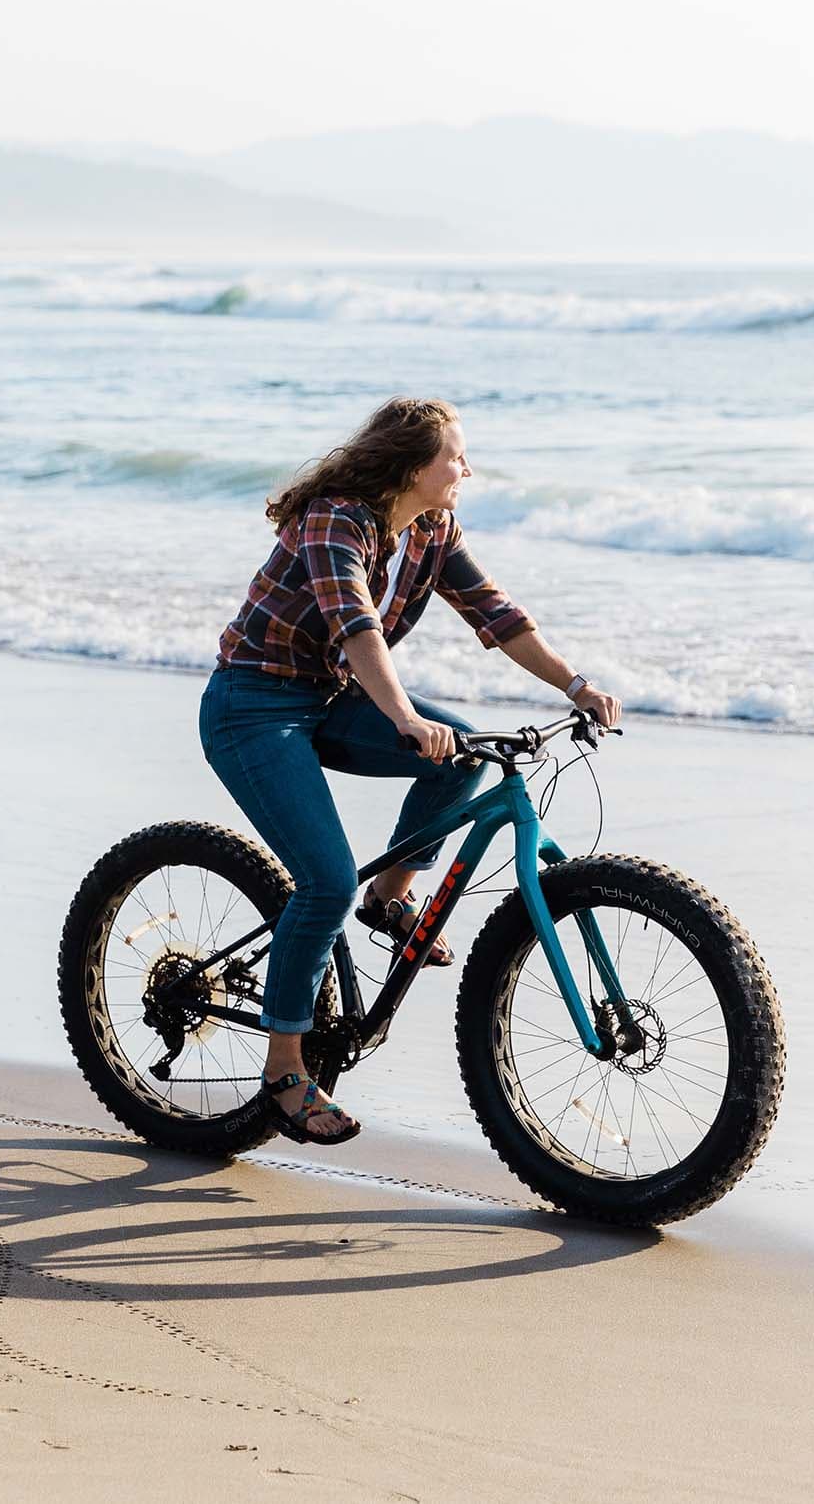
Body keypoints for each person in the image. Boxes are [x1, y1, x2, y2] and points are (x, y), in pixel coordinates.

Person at [202, 397, 621, 1143]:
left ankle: (391, 898)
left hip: (330, 697)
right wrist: (401, 717)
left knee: (460, 747)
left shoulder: (433, 529)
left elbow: (499, 616)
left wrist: (575, 685)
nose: (467, 467)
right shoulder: (337, 519)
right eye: (456, 455)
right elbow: (356, 626)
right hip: (253, 705)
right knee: (326, 878)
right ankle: (285, 1071)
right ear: (411, 465)